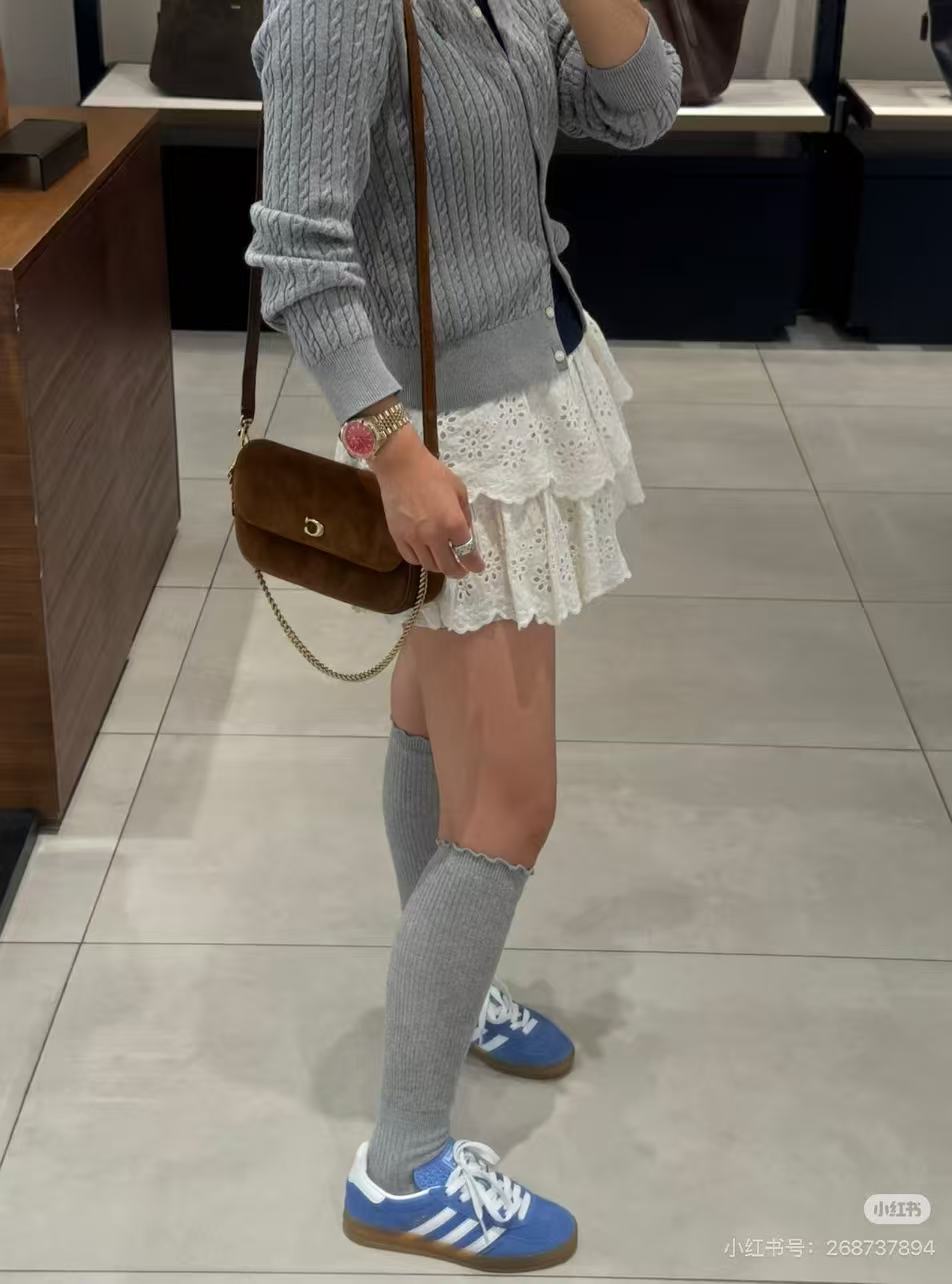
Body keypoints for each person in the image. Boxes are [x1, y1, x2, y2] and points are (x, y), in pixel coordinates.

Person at [248, 0, 681, 1270]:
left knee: (432, 734)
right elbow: (298, 256)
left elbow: (638, 108)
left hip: (520, 377)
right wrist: (390, 451)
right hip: (451, 436)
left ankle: (449, 987)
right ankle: (402, 1166)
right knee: (509, 808)